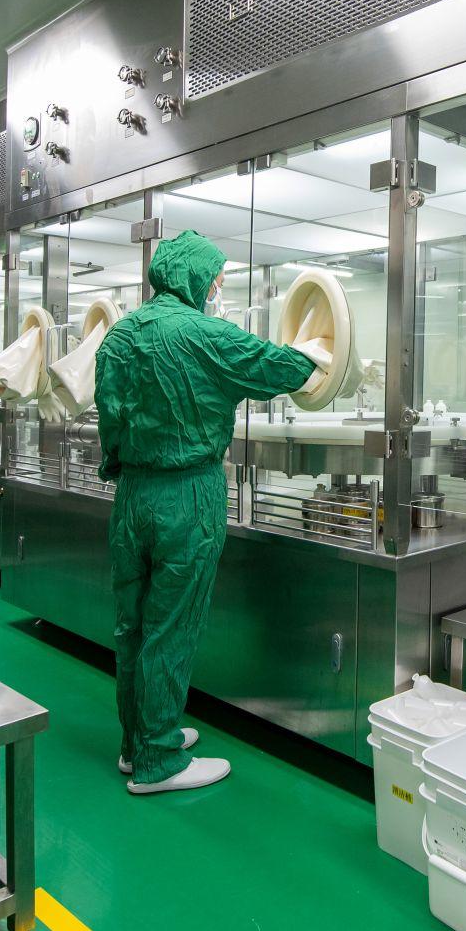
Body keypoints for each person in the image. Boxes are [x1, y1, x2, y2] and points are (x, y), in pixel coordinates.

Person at [95, 230, 327, 795]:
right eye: (217, 280)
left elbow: (110, 420)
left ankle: (137, 740)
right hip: (187, 497)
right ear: (196, 278)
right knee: (171, 626)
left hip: (132, 496)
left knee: (132, 625)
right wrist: (321, 351)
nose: (217, 289)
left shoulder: (118, 336)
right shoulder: (205, 335)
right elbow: (278, 368)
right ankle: (158, 760)